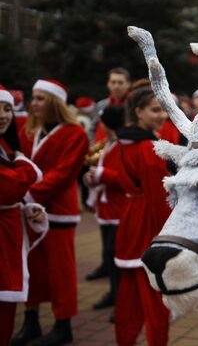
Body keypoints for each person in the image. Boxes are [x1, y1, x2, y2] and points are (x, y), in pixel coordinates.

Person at [12, 79, 88, 346]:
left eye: (41, 98)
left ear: (55, 102)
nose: (34, 104)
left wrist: (29, 193)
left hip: (58, 212)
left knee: (60, 271)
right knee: (31, 268)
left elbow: (64, 173)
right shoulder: (28, 129)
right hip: (28, 209)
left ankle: (63, 324)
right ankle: (31, 320)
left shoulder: (75, 132)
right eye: (33, 98)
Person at [114, 86, 171, 346]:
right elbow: (158, 200)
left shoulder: (125, 142)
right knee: (155, 298)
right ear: (138, 112)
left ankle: (125, 339)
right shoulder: (148, 149)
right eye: (155, 110)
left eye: (162, 110)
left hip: (129, 220)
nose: (161, 115)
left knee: (128, 295)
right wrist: (169, 237)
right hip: (148, 225)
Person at [0, 85, 48, 346]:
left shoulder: (4, 143)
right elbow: (10, 186)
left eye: (7, 108)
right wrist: (24, 165)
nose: (3, 115)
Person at [84, 105, 127, 312]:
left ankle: (121, 299)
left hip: (119, 210)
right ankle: (114, 293)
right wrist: (91, 177)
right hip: (107, 209)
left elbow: (125, 180)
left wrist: (101, 174)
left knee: (115, 254)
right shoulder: (109, 143)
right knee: (108, 254)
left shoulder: (122, 145)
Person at [89, 67, 131, 144]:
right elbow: (92, 128)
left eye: (120, 82)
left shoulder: (133, 105)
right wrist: (92, 145)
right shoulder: (101, 105)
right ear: (108, 84)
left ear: (128, 84)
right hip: (100, 151)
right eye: (113, 82)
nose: (116, 86)